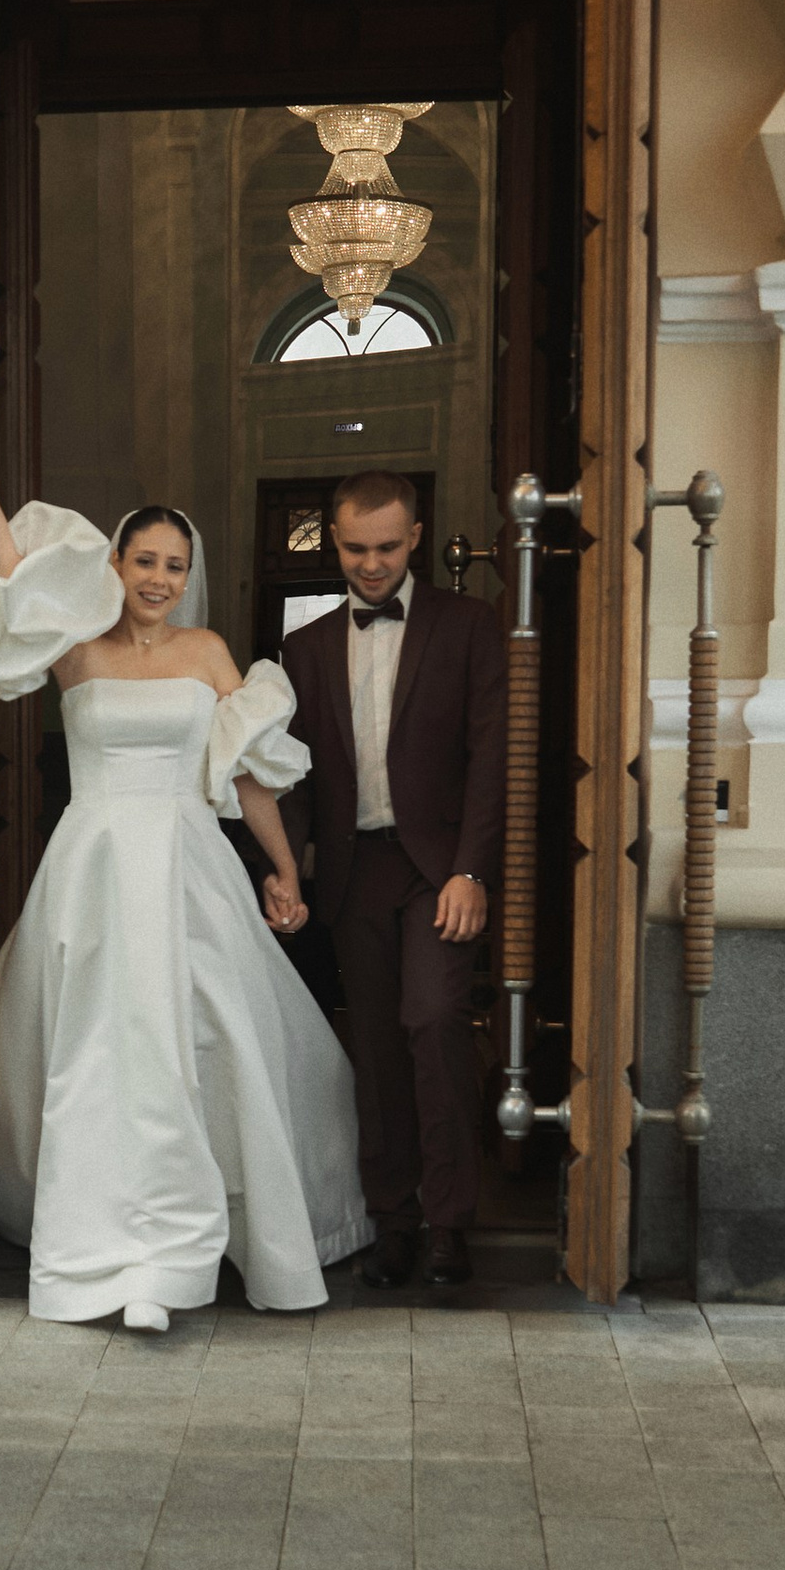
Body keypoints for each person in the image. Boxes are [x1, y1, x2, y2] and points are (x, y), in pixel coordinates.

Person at [0, 404, 367, 1329]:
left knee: (198, 1052)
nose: (161, 580)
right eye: (146, 562)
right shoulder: (77, 649)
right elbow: (10, 562)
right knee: (99, 1061)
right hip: (93, 865)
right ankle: (111, 1258)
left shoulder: (210, 655)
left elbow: (247, 777)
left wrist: (284, 872)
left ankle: (179, 1258)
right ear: (116, 566)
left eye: (176, 566)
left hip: (185, 866)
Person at [277, 470, 506, 1289]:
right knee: (373, 1046)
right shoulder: (302, 648)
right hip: (352, 869)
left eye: (385, 547)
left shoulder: (470, 626)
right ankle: (393, 1220)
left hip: (438, 867)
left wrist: (473, 869)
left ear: (415, 538)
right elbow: (294, 773)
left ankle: (449, 1222)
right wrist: (287, 867)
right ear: (333, 543)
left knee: (434, 1021)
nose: (369, 565)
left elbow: (492, 762)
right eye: (353, 548)